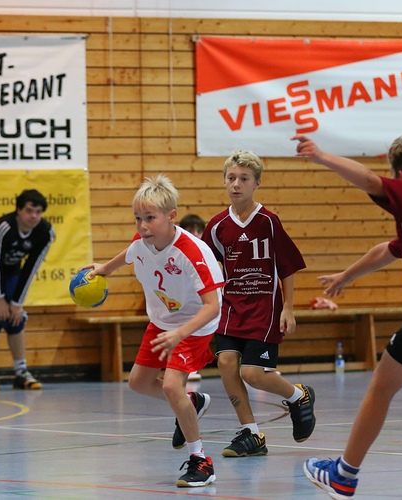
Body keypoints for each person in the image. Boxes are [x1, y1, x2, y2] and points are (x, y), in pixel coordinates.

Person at [294, 131, 402, 499]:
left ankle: (343, 475)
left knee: (381, 388)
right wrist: (347, 276)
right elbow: (388, 250)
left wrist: (322, 156)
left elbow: (369, 180)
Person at [83, 174, 225, 487]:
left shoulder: (191, 252)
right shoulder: (142, 243)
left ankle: (201, 461)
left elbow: (213, 306)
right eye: (138, 218)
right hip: (163, 321)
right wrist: (104, 269)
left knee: (171, 387)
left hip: (194, 324)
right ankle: (193, 402)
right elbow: (130, 253)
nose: (143, 225)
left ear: (171, 216)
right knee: (138, 382)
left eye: (150, 218)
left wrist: (180, 334)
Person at [200, 150, 316, 458]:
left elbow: (288, 266)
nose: (236, 184)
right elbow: (205, 267)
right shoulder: (217, 225)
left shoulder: (268, 221)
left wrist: (288, 307)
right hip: (231, 307)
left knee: (253, 374)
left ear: (257, 183)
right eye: (231, 178)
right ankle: (251, 433)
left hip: (264, 308)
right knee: (225, 363)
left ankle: (298, 396)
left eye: (244, 178)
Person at [0, 189, 55, 392]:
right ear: (18, 210)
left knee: (17, 317)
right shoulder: (4, 227)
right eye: (29, 211)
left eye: (38, 212)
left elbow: (31, 268)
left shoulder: (46, 232)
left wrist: (16, 303)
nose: (34, 216)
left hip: (10, 268)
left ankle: (21, 372)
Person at [179, 213, 207, 382]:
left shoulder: (208, 253)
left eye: (199, 231)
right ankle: (186, 365)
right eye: (190, 231)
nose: (195, 235)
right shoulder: (176, 253)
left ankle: (253, 364)